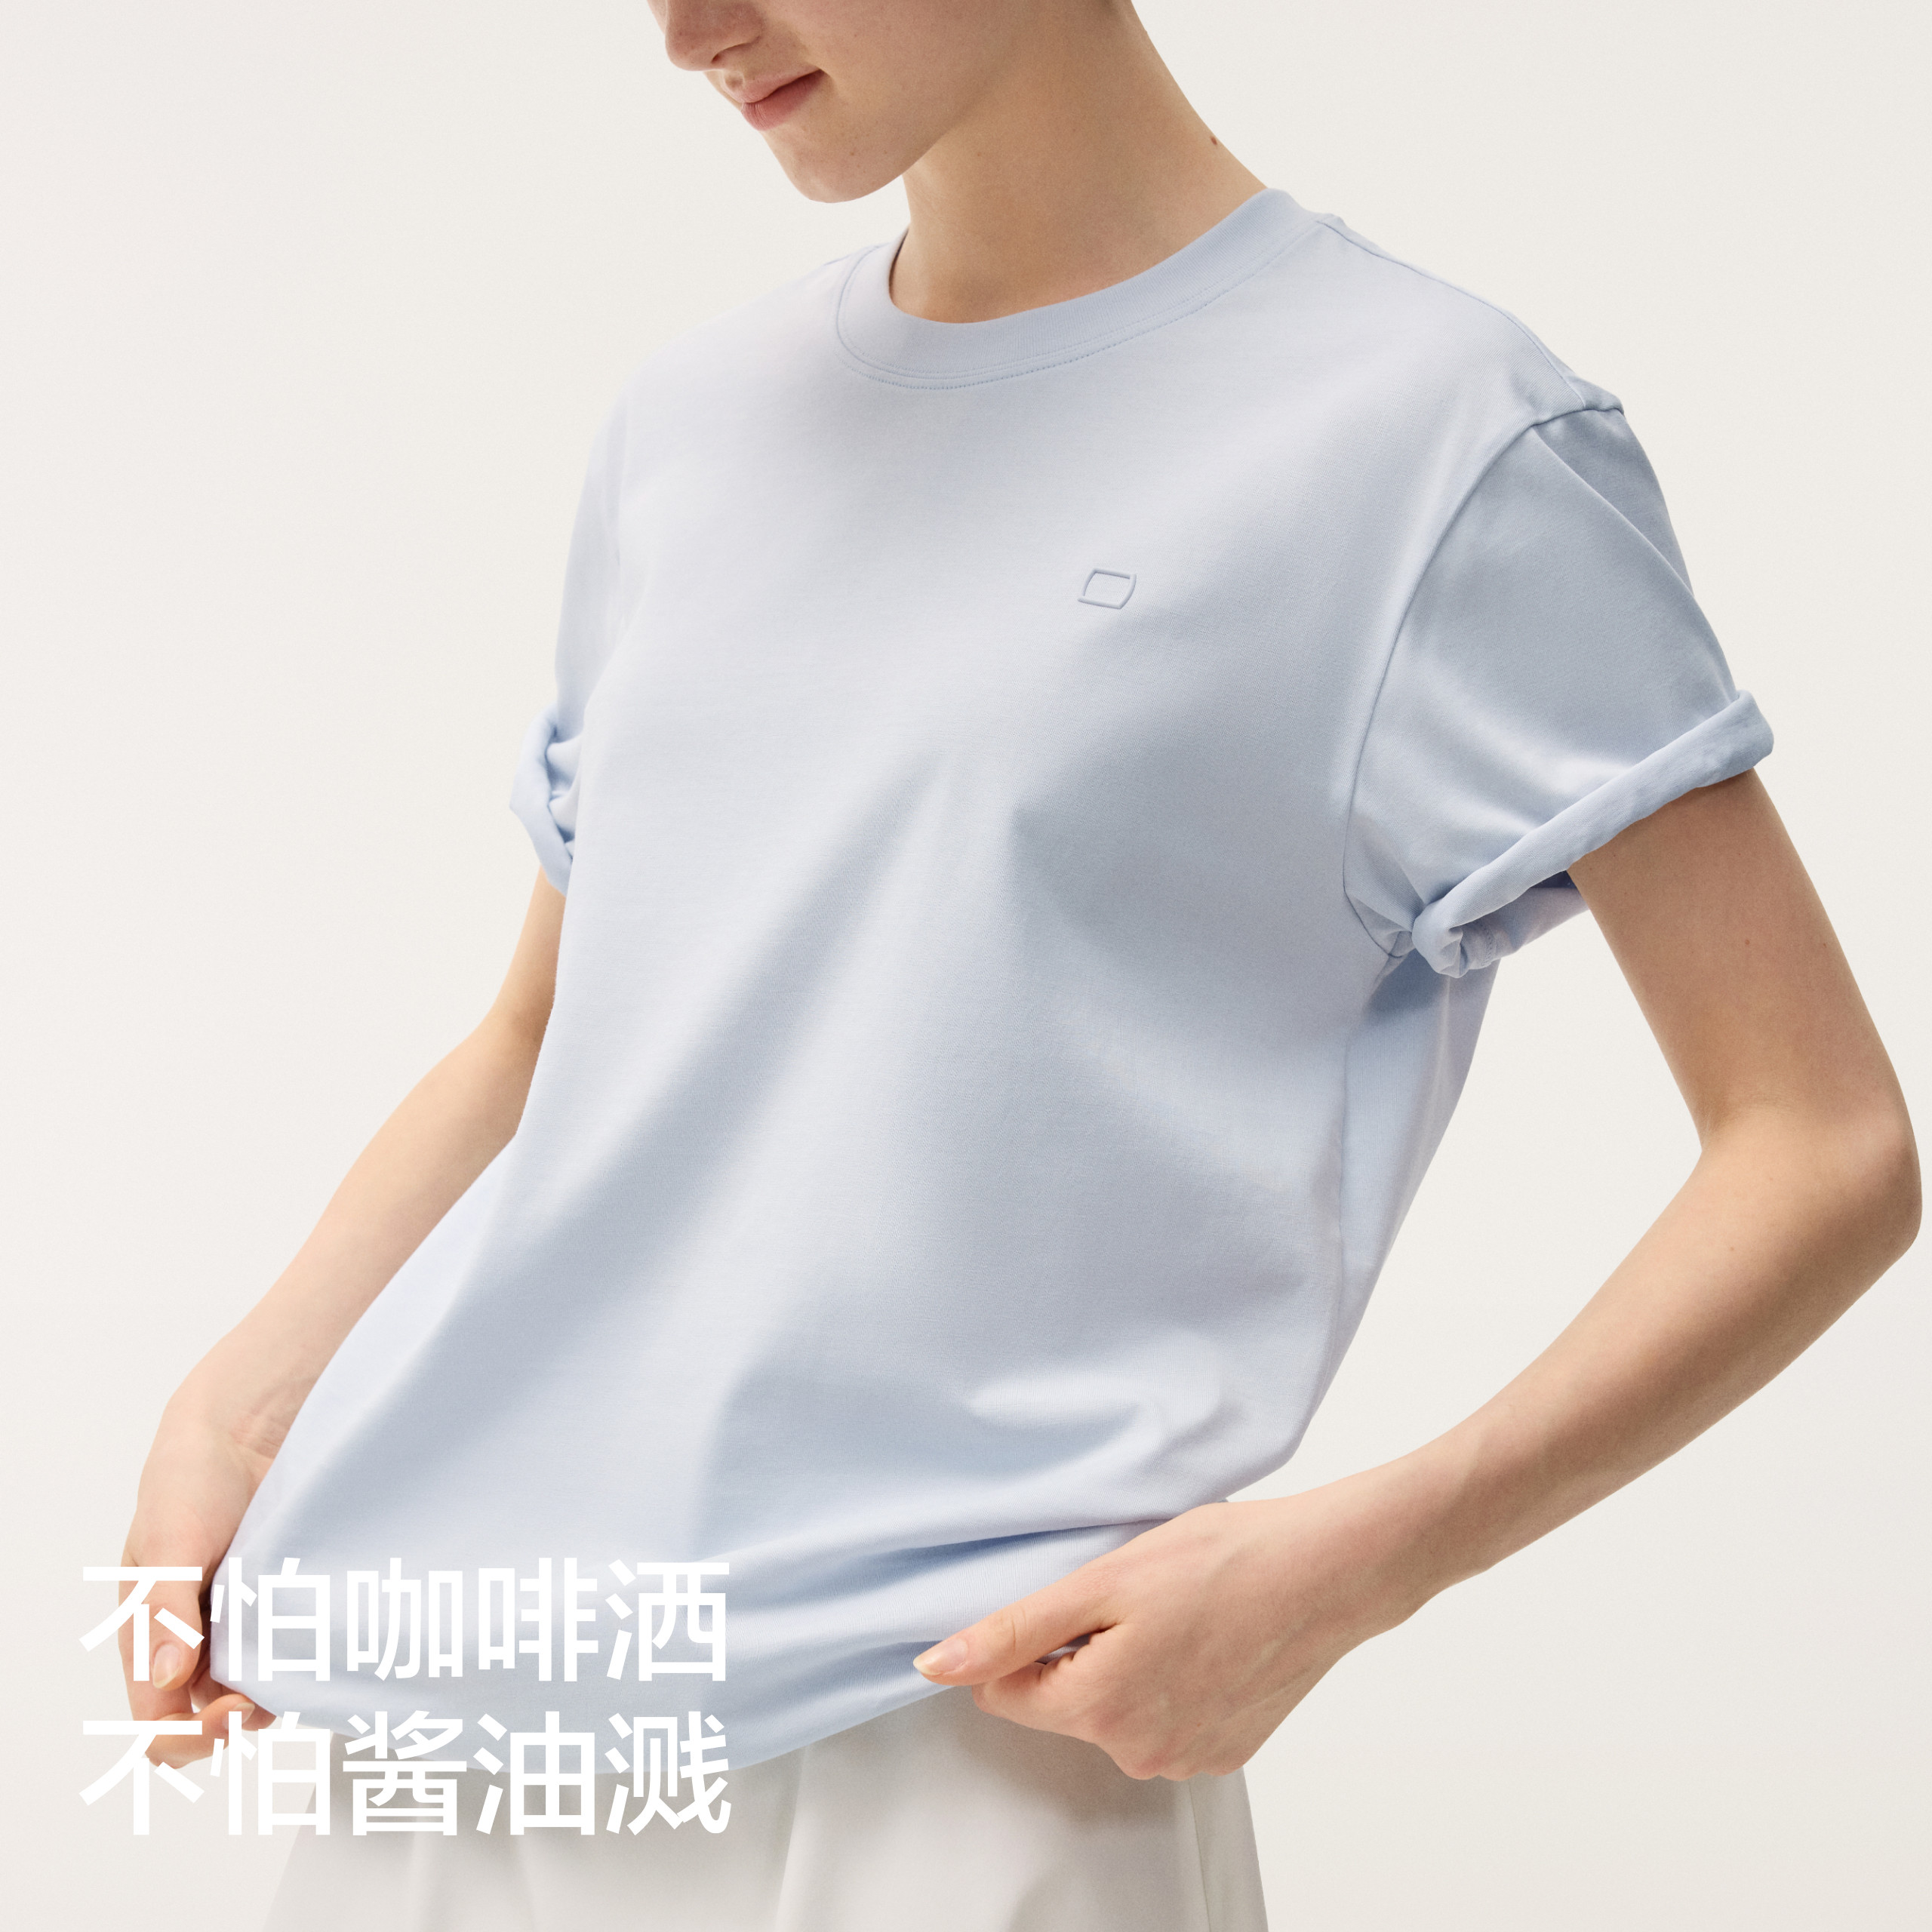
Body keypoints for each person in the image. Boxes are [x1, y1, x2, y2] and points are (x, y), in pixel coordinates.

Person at [117, 4, 1918, 1928]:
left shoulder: (1430, 434)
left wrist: (1356, 1565)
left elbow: (1819, 1142)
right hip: (467, 1704)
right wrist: (238, 1407)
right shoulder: (692, 425)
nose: (686, 29)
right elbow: (544, 1031)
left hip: (969, 1729)